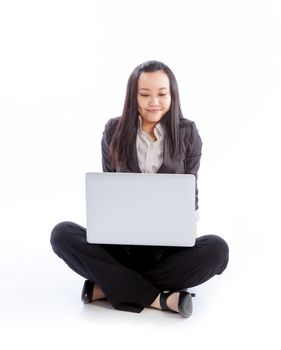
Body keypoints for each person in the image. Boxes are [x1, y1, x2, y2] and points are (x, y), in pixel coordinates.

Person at [50, 60, 229, 318]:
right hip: (124, 247)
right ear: (133, 96)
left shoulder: (187, 132)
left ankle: (107, 286)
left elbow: (191, 189)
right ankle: (160, 299)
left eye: (161, 94)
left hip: (167, 250)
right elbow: (108, 189)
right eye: (144, 94)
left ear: (172, 94)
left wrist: (187, 225)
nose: (153, 101)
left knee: (217, 250)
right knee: (62, 234)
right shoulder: (114, 130)